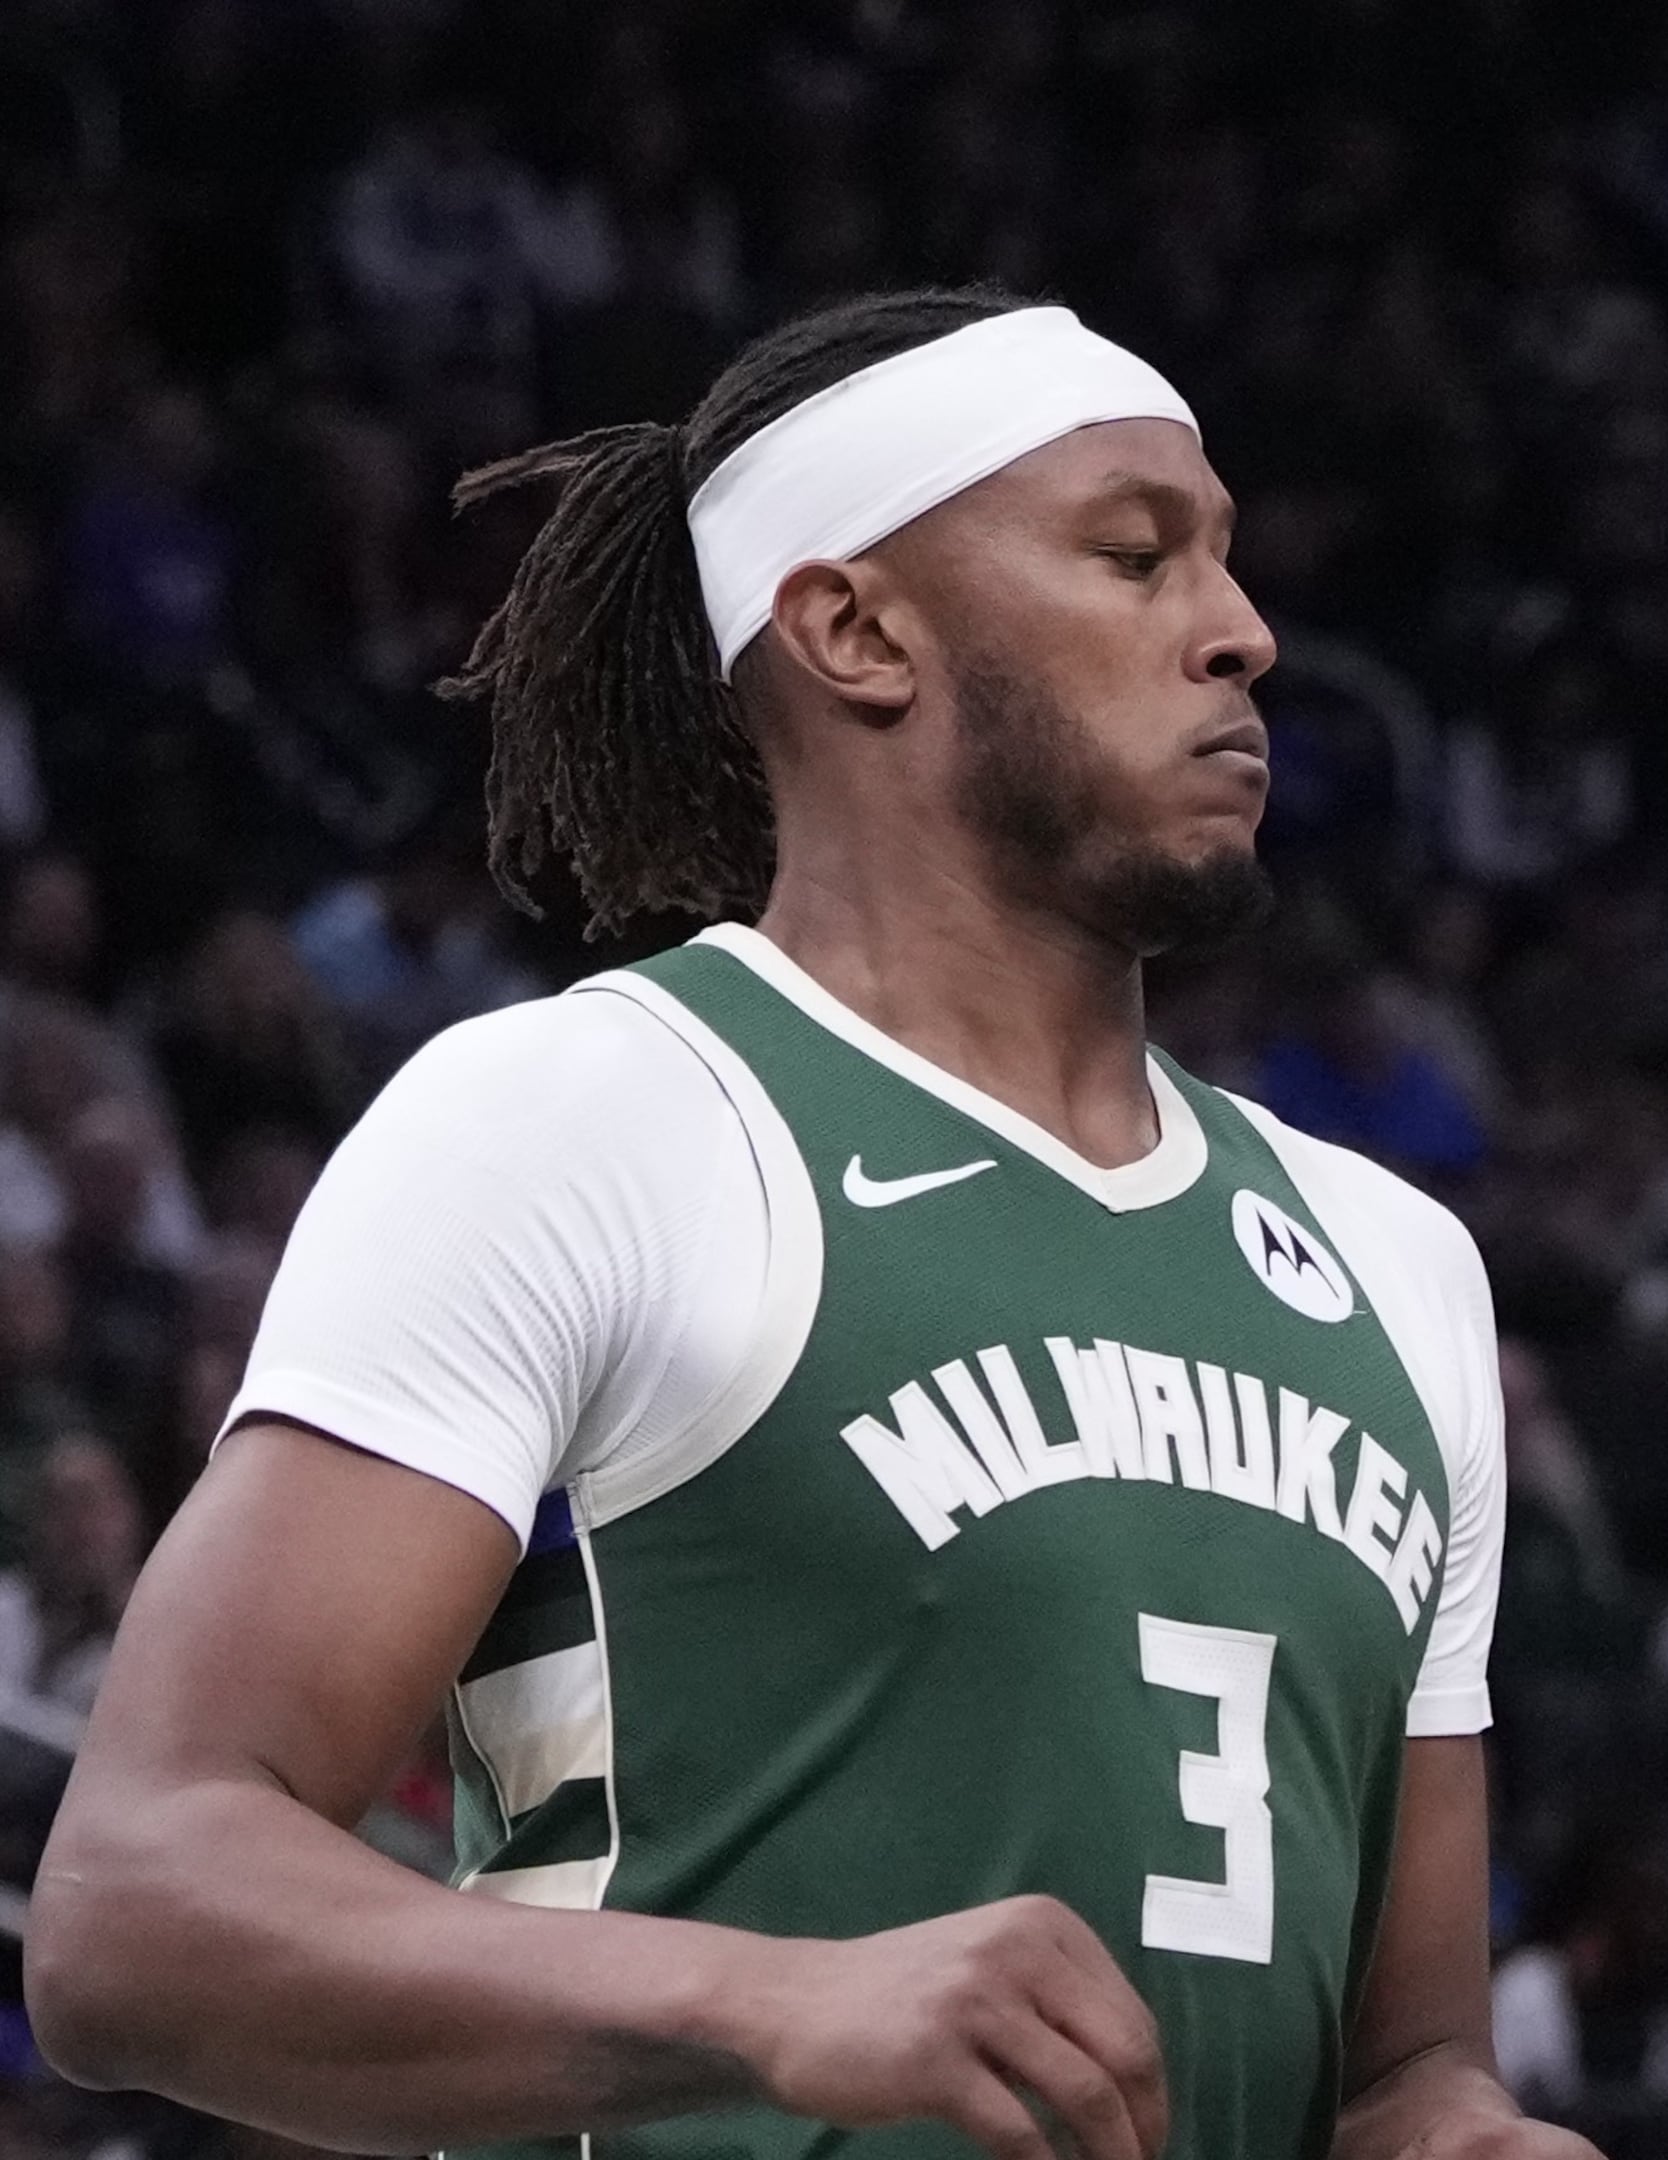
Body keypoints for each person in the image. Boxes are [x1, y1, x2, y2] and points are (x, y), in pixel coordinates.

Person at [27, 290, 1589, 2160]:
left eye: (1229, 566)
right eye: (1134, 557)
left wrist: (1466, 2129)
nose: (1243, 634)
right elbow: (134, 1906)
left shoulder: (1397, 1264)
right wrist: (764, 2001)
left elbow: (1406, 2066)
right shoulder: (591, 1119)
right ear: (855, 629)